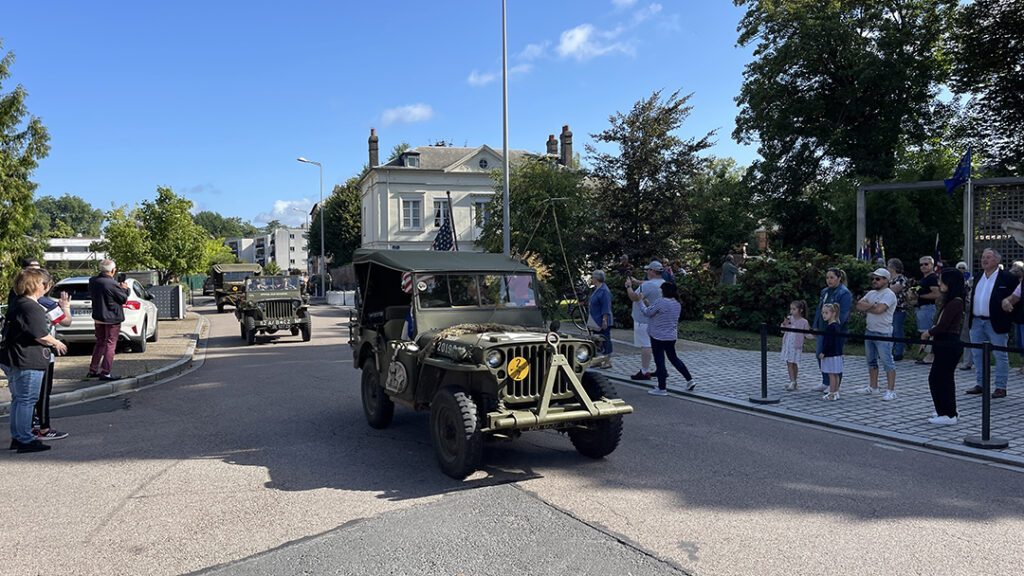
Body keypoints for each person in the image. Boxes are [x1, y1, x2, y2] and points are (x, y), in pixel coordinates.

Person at [1, 268, 69, 453]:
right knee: (26, 400)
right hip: (27, 359)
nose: (47, 286)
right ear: (38, 285)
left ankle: (18, 436)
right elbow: (40, 335)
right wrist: (56, 342)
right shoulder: (31, 307)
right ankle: (24, 439)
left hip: (15, 357)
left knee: (19, 400)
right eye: (45, 283)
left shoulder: (18, 302)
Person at [965, 248, 1017, 398]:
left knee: (1000, 355)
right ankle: (981, 384)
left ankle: (1001, 387)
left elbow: (1016, 298)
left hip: (995, 322)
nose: (984, 260)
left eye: (988, 257)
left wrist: (1010, 313)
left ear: (997, 260)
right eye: (983, 257)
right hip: (976, 321)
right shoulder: (979, 275)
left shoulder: (1007, 278)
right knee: (977, 354)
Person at [921, 268, 966, 425]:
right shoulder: (950, 301)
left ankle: (948, 413)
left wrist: (928, 333)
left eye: (941, 280)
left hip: (948, 342)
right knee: (941, 378)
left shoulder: (956, 302)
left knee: (939, 378)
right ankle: (945, 410)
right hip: (943, 343)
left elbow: (943, 325)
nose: (939, 283)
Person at [638, 282, 695, 395]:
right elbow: (658, 313)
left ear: (665, 291)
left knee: (660, 361)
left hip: (657, 336)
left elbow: (647, 312)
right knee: (674, 358)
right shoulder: (677, 303)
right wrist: (649, 305)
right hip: (671, 336)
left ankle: (662, 388)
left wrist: (641, 301)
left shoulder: (661, 302)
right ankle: (689, 380)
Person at [854, 268, 899, 400]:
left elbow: (880, 309)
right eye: (873, 278)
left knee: (887, 361)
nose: (874, 281)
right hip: (870, 330)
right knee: (871, 361)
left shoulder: (889, 294)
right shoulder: (871, 293)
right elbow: (859, 305)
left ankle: (891, 390)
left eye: (878, 279)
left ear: (886, 280)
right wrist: (873, 305)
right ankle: (873, 387)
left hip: (883, 332)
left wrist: (870, 306)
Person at [88, 259, 130, 381]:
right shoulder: (111, 284)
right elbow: (123, 299)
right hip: (112, 318)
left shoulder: (93, 281)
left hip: (98, 317)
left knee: (100, 342)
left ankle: (93, 369)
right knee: (110, 344)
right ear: (112, 270)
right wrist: (124, 289)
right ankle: (105, 372)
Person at [811, 268, 852, 392]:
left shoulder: (844, 293)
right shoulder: (825, 292)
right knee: (820, 354)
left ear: (839, 278)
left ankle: (835, 385)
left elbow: (843, 313)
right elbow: (820, 309)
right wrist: (815, 324)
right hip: (823, 328)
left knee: (834, 356)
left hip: (835, 330)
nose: (829, 280)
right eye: (827, 277)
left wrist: (835, 327)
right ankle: (826, 381)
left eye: (832, 277)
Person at [625, 260, 666, 381]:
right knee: (658, 345)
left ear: (652, 271)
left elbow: (634, 297)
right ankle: (661, 369)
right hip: (658, 319)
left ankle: (644, 371)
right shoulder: (663, 283)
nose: (647, 272)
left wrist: (629, 286)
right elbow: (649, 284)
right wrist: (637, 282)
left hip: (644, 320)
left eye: (648, 270)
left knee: (646, 345)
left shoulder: (647, 286)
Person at [914, 256, 941, 364]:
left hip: (929, 308)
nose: (923, 266)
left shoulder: (932, 278)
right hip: (922, 309)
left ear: (932, 265)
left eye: (926, 264)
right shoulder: (924, 279)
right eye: (921, 264)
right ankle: (927, 354)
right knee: (924, 332)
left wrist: (921, 297)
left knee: (929, 333)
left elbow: (937, 294)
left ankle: (931, 356)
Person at [780, 299, 811, 391]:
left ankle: (794, 381)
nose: (791, 311)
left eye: (794, 309)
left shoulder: (804, 322)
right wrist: (784, 324)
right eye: (791, 309)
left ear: (800, 310)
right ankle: (792, 381)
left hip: (796, 346)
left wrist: (814, 334)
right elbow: (782, 330)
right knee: (789, 362)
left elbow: (807, 334)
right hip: (788, 344)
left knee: (794, 363)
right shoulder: (789, 319)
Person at [818, 303, 843, 401]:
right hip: (837, 353)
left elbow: (829, 342)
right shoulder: (836, 326)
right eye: (823, 313)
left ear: (833, 313)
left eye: (826, 313)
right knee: (835, 374)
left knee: (831, 374)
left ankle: (831, 393)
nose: (824, 315)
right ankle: (836, 392)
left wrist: (824, 352)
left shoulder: (831, 327)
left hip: (831, 354)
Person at [588, 269, 613, 369]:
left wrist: (604, 319)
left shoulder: (604, 291)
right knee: (596, 340)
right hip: (595, 319)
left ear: (597, 279)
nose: (591, 278)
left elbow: (606, 307)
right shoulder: (596, 289)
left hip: (602, 319)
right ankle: (598, 360)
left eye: (593, 277)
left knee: (605, 340)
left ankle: (607, 361)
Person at [886, 258, 908, 361]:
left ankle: (899, 352)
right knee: (889, 331)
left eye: (889, 266)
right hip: (888, 309)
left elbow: (893, 290)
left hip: (899, 308)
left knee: (897, 330)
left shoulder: (901, 279)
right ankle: (889, 351)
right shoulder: (888, 279)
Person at [1008, 261, 1024, 375]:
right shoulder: (1019, 284)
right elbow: (1014, 297)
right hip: (1018, 317)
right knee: (1020, 343)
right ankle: (1022, 365)